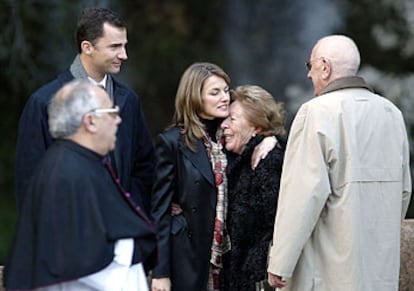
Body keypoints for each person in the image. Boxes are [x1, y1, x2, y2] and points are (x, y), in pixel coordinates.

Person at [267, 35, 412, 291]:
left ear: (325, 66)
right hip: (379, 269)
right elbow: (403, 191)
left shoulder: (315, 112)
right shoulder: (392, 113)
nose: (309, 75)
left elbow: (302, 197)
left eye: (309, 66)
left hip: (327, 272)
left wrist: (280, 263)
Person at [4, 80, 157, 291]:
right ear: (90, 121)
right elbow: (74, 260)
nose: (119, 120)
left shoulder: (78, 162)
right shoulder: (68, 173)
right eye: (112, 112)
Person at [150, 62, 276, 291]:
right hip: (188, 256)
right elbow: (160, 213)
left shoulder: (228, 136)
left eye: (226, 90)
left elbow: (263, 129)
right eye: (215, 92)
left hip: (229, 259)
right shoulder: (171, 143)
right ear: (195, 97)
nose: (225, 97)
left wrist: (271, 139)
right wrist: (160, 272)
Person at [15, 7, 154, 214]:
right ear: (87, 47)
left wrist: (129, 212)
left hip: (121, 233)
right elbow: (30, 183)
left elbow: (144, 167)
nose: (124, 55)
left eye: (124, 46)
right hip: (66, 235)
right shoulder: (43, 103)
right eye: (115, 47)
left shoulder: (129, 100)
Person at [220, 85, 286, 291]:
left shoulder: (268, 160)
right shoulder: (233, 158)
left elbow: (276, 225)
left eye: (232, 119)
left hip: (257, 279)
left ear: (257, 127)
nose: (223, 125)